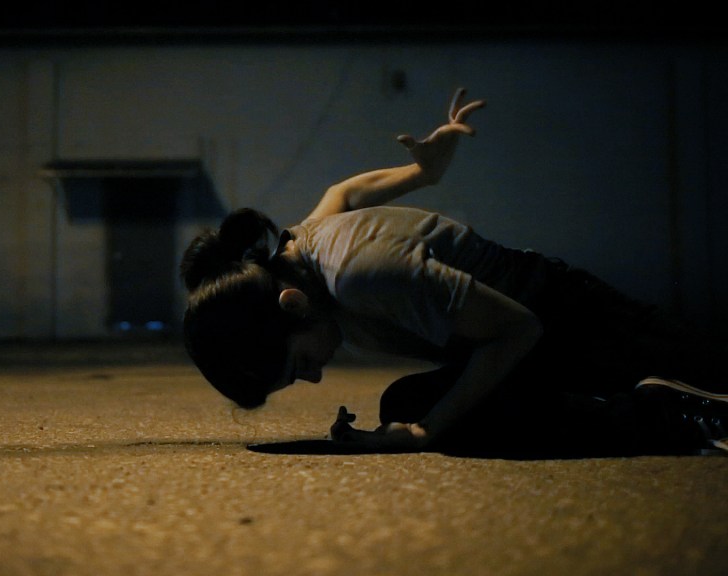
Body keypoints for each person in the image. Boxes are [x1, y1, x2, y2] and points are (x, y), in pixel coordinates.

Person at [180, 88, 728, 458]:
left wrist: (424, 435)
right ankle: (641, 400)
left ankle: (669, 418)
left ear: (292, 304)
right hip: (519, 338)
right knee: (407, 403)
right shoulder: (302, 249)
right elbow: (341, 193)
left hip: (571, 319)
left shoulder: (357, 273)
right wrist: (420, 172)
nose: (316, 377)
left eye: (298, 365)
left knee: (429, 415)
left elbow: (520, 330)